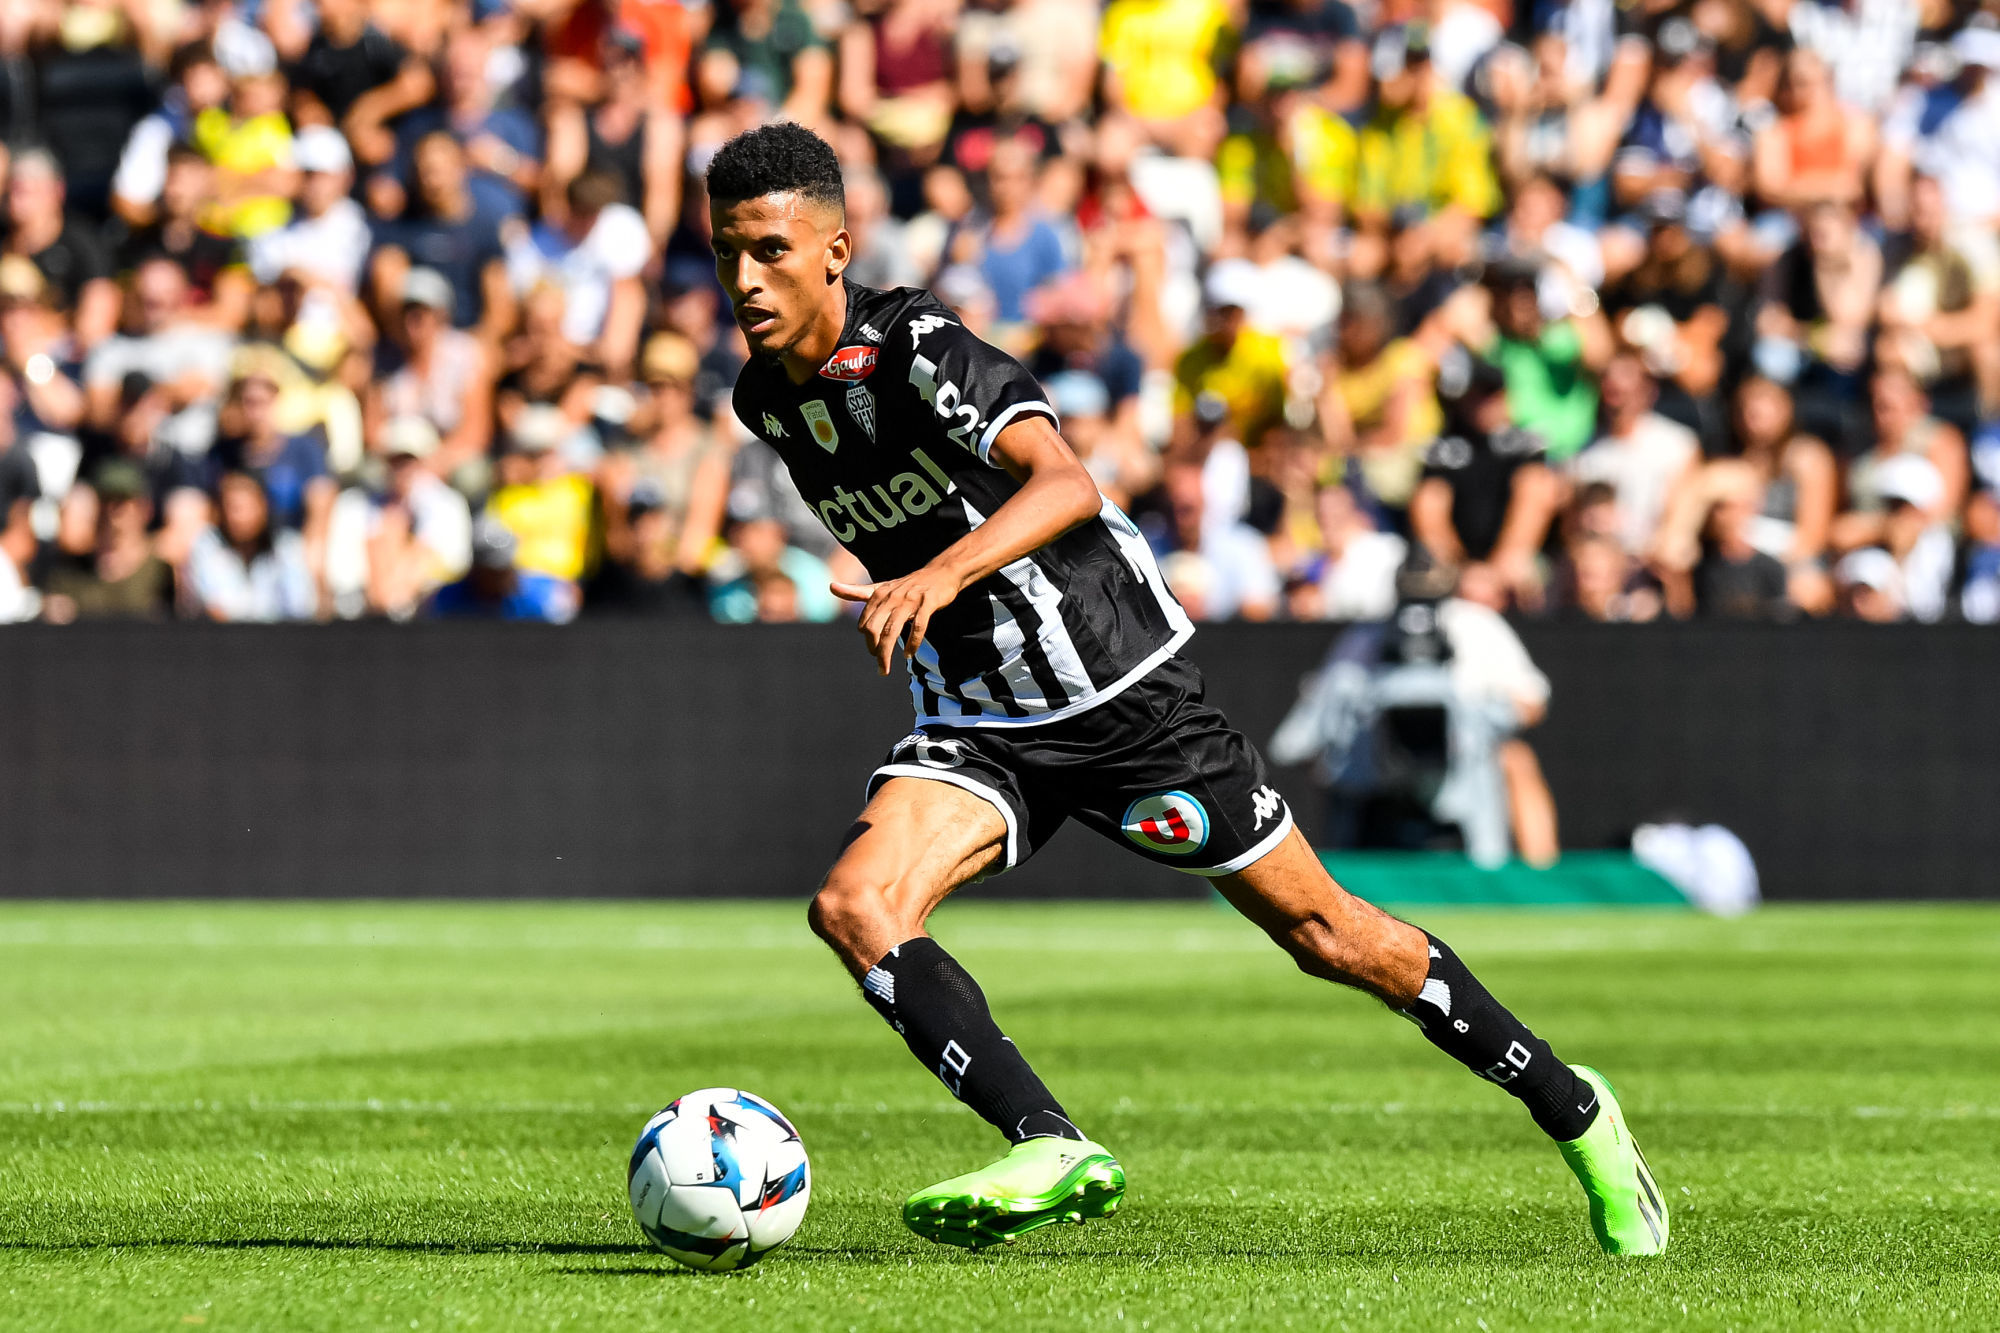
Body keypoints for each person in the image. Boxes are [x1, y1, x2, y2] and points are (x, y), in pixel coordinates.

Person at [705, 121, 1666, 1256]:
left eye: (769, 248)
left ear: (833, 249)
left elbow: (1063, 484)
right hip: (977, 711)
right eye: (725, 252)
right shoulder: (763, 399)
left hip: (1122, 695)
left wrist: (934, 572)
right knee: (854, 907)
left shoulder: (914, 344)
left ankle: (1574, 1106)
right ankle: (1049, 1140)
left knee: (1327, 935)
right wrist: (882, 574)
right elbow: (925, 514)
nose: (744, 279)